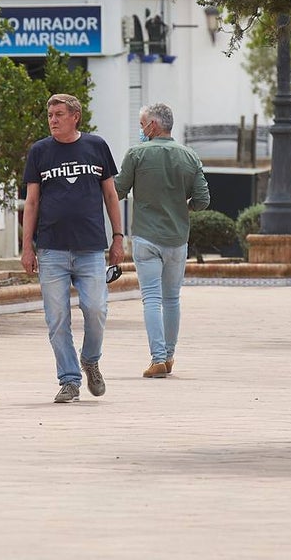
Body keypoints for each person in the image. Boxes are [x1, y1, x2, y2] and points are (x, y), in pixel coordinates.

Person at [22, 93, 125, 403]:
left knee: (96, 309)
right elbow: (32, 202)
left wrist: (118, 237)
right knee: (56, 319)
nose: (53, 120)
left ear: (75, 117)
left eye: (59, 114)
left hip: (90, 248)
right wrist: (27, 247)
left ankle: (90, 359)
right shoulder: (39, 151)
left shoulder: (96, 146)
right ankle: (69, 379)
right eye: (50, 115)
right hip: (51, 249)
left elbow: (110, 195)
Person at [115, 103, 211, 378]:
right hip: (177, 238)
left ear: (153, 125)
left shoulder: (136, 154)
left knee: (151, 299)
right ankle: (168, 356)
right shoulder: (190, 156)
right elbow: (203, 200)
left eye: (142, 124)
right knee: (171, 299)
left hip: (146, 237)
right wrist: (182, 207)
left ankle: (157, 358)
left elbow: (118, 190)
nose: (141, 129)